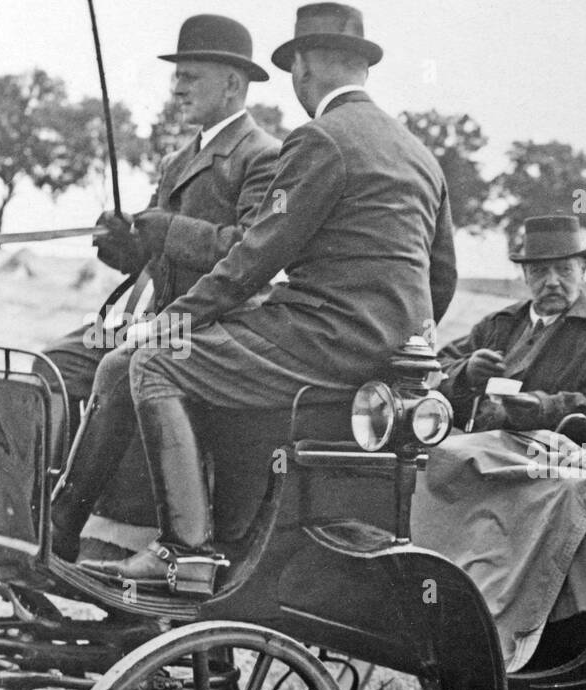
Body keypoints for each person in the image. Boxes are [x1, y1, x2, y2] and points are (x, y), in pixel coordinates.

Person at [54, 2, 458, 596]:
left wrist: (166, 326)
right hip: (390, 362)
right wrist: (396, 349)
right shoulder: (421, 156)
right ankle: (65, 528)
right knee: (120, 363)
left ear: (303, 69)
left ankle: (184, 552)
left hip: (321, 341)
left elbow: (250, 260)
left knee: (154, 363)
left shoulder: (321, 140)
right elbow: (441, 278)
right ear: (361, 68)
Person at [44, 13, 281, 561]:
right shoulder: (179, 160)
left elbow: (251, 252)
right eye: (177, 77)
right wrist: (126, 245)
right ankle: (35, 500)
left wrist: (170, 230)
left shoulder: (264, 157)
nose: (177, 88)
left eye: (190, 77)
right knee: (50, 364)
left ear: (233, 84)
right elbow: (157, 256)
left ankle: (66, 522)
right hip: (158, 320)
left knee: (120, 363)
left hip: (214, 327)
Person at [438, 215, 586, 433]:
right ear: (525, 275)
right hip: (476, 441)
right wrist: (466, 372)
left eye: (564, 270)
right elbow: (438, 367)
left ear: (583, 271)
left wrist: (545, 407)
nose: (552, 282)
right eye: (539, 271)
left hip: (546, 455)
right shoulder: (499, 323)